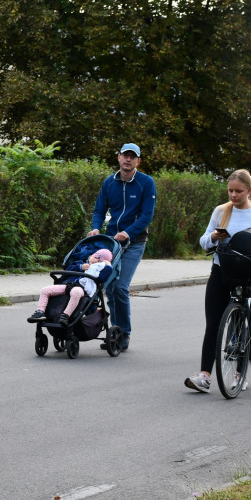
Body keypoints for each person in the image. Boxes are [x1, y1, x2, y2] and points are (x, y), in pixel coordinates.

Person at [184, 169, 251, 393]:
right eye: (230, 191)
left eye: (238, 191)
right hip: (221, 271)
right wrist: (214, 237)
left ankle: (239, 374)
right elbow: (204, 241)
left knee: (241, 325)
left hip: (248, 274)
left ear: (249, 191)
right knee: (213, 324)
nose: (233, 195)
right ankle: (204, 376)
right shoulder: (220, 211)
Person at [88, 143, 156, 351]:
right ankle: (114, 332)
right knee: (109, 286)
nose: (128, 160)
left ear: (138, 161)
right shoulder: (109, 183)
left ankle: (124, 333)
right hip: (111, 242)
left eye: (132, 157)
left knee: (121, 286)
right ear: (118, 157)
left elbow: (147, 215)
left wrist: (129, 232)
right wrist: (95, 228)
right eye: (125, 156)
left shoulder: (146, 183)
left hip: (134, 242)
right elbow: (99, 209)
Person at [29, 249, 114, 325]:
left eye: (100, 261)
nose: (96, 261)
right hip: (67, 285)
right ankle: (40, 312)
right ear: (91, 256)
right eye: (95, 257)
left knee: (75, 292)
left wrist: (108, 267)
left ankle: (66, 315)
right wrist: (80, 267)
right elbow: (68, 269)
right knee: (45, 290)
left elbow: (102, 279)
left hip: (81, 289)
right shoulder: (80, 262)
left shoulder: (98, 271)